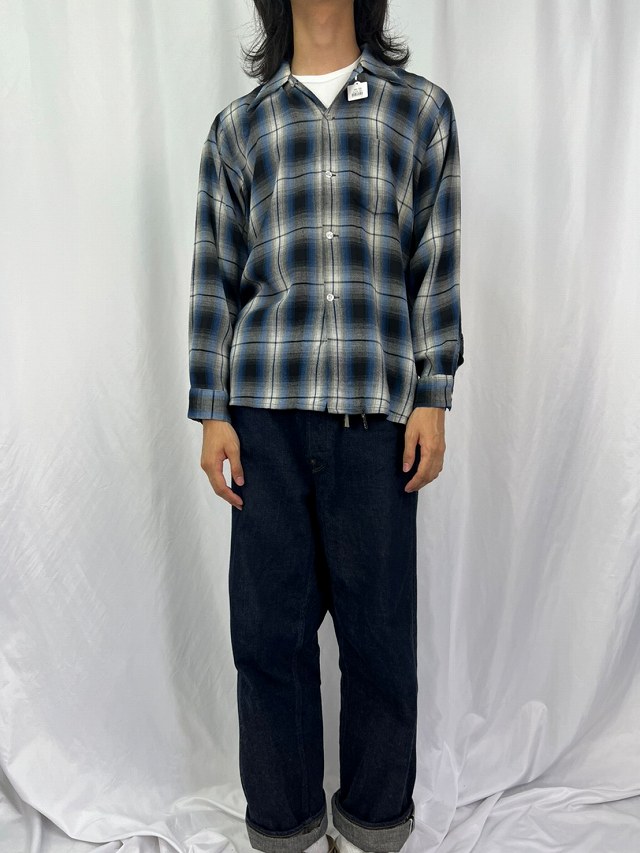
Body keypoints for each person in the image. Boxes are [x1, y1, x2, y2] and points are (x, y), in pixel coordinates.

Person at [187, 1, 464, 851]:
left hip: (374, 417)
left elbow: (435, 259)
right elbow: (215, 272)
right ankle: (286, 827)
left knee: (379, 636)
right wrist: (212, 410)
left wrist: (433, 392)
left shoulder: (420, 110)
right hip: (264, 417)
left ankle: (376, 825)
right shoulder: (239, 127)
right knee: (267, 635)